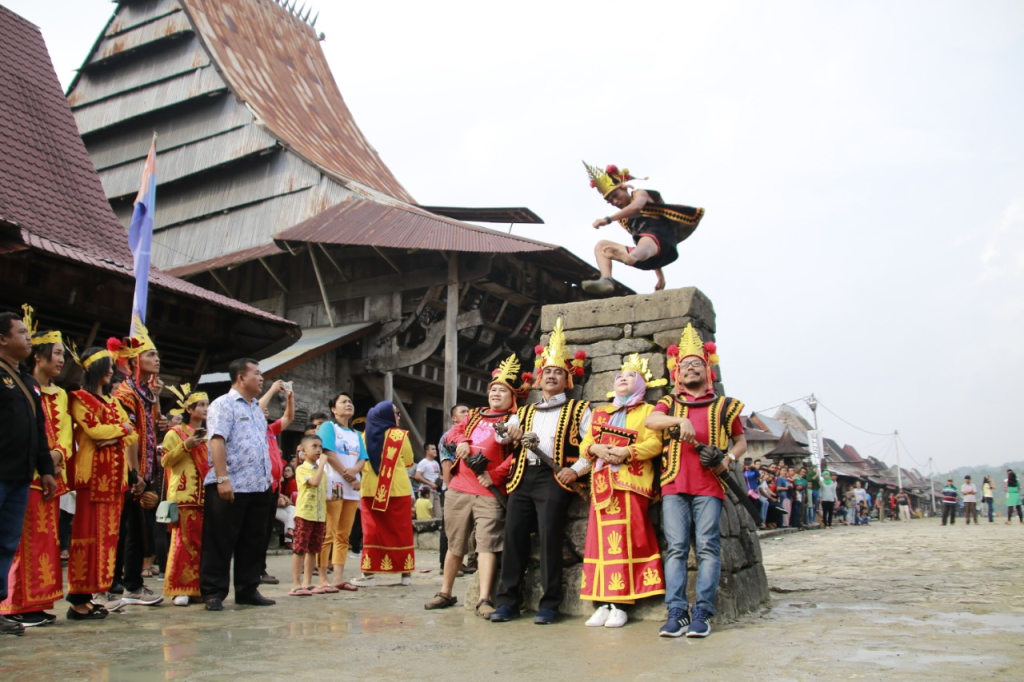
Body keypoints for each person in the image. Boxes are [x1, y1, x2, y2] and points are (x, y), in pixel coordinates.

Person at [645, 323, 746, 639]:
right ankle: (676, 611)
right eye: (685, 365)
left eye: (696, 364)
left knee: (707, 547)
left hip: (709, 484)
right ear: (677, 373)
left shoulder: (726, 405)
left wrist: (728, 458)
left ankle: (703, 611)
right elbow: (651, 420)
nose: (690, 369)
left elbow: (740, 441)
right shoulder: (670, 403)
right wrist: (681, 419)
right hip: (675, 483)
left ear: (708, 370)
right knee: (675, 547)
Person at [489, 318, 591, 625]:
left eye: (558, 372)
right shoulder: (525, 411)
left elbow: (592, 443)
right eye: (547, 372)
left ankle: (550, 605)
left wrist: (575, 470)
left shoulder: (579, 408)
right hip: (523, 477)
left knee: (549, 540)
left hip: (554, 479)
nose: (551, 376)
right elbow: (501, 436)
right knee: (514, 537)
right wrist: (507, 432)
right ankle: (507, 601)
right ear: (539, 378)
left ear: (566, 380)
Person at [425, 356, 525, 617]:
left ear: (512, 396)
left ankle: (484, 599)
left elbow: (518, 456)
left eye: (502, 390)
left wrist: (497, 476)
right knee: (455, 543)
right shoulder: (474, 416)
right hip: (459, 487)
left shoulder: (515, 421)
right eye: (493, 389)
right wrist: (464, 440)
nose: (495, 394)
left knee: (487, 545)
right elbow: (452, 433)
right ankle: (445, 592)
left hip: (488, 492)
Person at [580, 355, 667, 629]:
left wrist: (627, 451)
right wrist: (595, 449)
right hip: (602, 485)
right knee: (599, 543)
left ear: (641, 383)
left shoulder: (648, 412)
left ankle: (621, 603)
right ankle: (601, 602)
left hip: (631, 481)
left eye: (629, 376)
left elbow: (654, 443)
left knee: (626, 540)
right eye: (619, 376)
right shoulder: (600, 413)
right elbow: (585, 445)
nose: (622, 378)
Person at [65, 346, 136, 621]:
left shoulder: (112, 401)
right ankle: (78, 600)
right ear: (93, 368)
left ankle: (92, 595)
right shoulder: (79, 398)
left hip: (114, 481)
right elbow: (94, 431)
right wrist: (121, 430)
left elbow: (133, 434)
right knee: (87, 538)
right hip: (92, 479)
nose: (111, 370)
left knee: (107, 540)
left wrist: (116, 435)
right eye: (107, 365)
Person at [199, 358, 276, 611]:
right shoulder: (223, 404)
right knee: (219, 539)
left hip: (258, 486)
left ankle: (247, 589)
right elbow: (217, 441)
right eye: (257, 373)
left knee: (253, 541)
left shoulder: (256, 408)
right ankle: (213, 592)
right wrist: (222, 478)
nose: (261, 377)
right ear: (241, 378)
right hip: (231, 483)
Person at [0, 310, 59, 634]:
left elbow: (39, 430)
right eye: (21, 332)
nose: (28, 337)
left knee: (7, 543)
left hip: (21, 477)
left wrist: (46, 469)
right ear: (2, 339)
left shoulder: (26, 381)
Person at [580, 162, 704, 295]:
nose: (615, 202)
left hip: (663, 242)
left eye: (615, 196)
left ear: (624, 188)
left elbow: (637, 207)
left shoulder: (640, 194)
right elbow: (646, 247)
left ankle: (630, 257)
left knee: (647, 240)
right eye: (610, 201)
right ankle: (606, 280)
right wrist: (660, 277)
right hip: (648, 257)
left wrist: (608, 219)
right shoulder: (623, 220)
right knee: (601, 246)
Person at [108, 322, 164, 606]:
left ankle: (124, 582)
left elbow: (149, 427)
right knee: (133, 528)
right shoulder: (126, 394)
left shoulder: (144, 393)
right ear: (134, 361)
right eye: (151, 354)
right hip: (133, 471)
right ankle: (129, 584)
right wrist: (134, 473)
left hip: (145, 468)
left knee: (138, 528)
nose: (157, 359)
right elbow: (128, 436)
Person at [350, 401, 416, 587]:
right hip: (398, 490)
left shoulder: (362, 437)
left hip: (371, 491)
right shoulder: (400, 436)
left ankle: (369, 575)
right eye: (396, 412)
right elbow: (409, 461)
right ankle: (405, 576)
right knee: (401, 531)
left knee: (372, 532)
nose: (398, 416)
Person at [160, 384, 209, 606]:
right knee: (183, 542)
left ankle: (198, 587)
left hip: (205, 495)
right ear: (190, 409)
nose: (205, 408)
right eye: (201, 405)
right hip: (184, 494)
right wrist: (187, 445)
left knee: (201, 544)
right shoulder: (176, 433)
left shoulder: (210, 436)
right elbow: (166, 460)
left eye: (207, 404)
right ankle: (179, 587)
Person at [316, 391, 367, 592]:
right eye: (343, 401)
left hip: (352, 487)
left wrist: (354, 472)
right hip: (333, 484)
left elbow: (363, 458)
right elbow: (328, 451)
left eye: (350, 401)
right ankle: (322, 578)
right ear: (333, 408)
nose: (348, 404)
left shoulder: (356, 434)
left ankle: (338, 577)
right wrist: (348, 474)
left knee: (343, 535)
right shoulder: (329, 427)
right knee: (328, 533)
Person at [257, 380, 294, 586]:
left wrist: (289, 397)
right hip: (258, 486)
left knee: (265, 529)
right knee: (257, 530)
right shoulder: (253, 430)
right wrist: (272, 389)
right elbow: (255, 408)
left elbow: (288, 417)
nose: (265, 413)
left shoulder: (270, 431)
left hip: (272, 488)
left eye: (266, 413)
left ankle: (260, 569)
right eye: (261, 411)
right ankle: (255, 570)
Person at [289, 435, 328, 596]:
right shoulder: (301, 469)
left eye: (320, 446)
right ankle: (296, 583)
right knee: (299, 549)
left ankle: (308, 582)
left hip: (319, 515)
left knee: (313, 549)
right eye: (314, 446)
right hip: (305, 514)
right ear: (304, 451)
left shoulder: (321, 471)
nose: (319, 450)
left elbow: (322, 490)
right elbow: (314, 482)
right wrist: (322, 465)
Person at [437, 402, 470, 574]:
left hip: (468, 487)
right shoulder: (448, 436)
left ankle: (459, 562)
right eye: (463, 412)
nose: (467, 414)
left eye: (468, 411)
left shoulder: (471, 434)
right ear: (454, 418)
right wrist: (449, 488)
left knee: (463, 527)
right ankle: (445, 564)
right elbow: (446, 463)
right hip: (452, 487)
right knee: (449, 527)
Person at [413, 444, 442, 519]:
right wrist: (430, 483)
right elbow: (417, 476)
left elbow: (438, 476)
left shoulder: (436, 463)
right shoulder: (423, 462)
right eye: (432, 449)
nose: (435, 450)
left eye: (435, 449)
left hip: (436, 491)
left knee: (439, 515)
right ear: (427, 451)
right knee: (428, 515)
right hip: (426, 491)